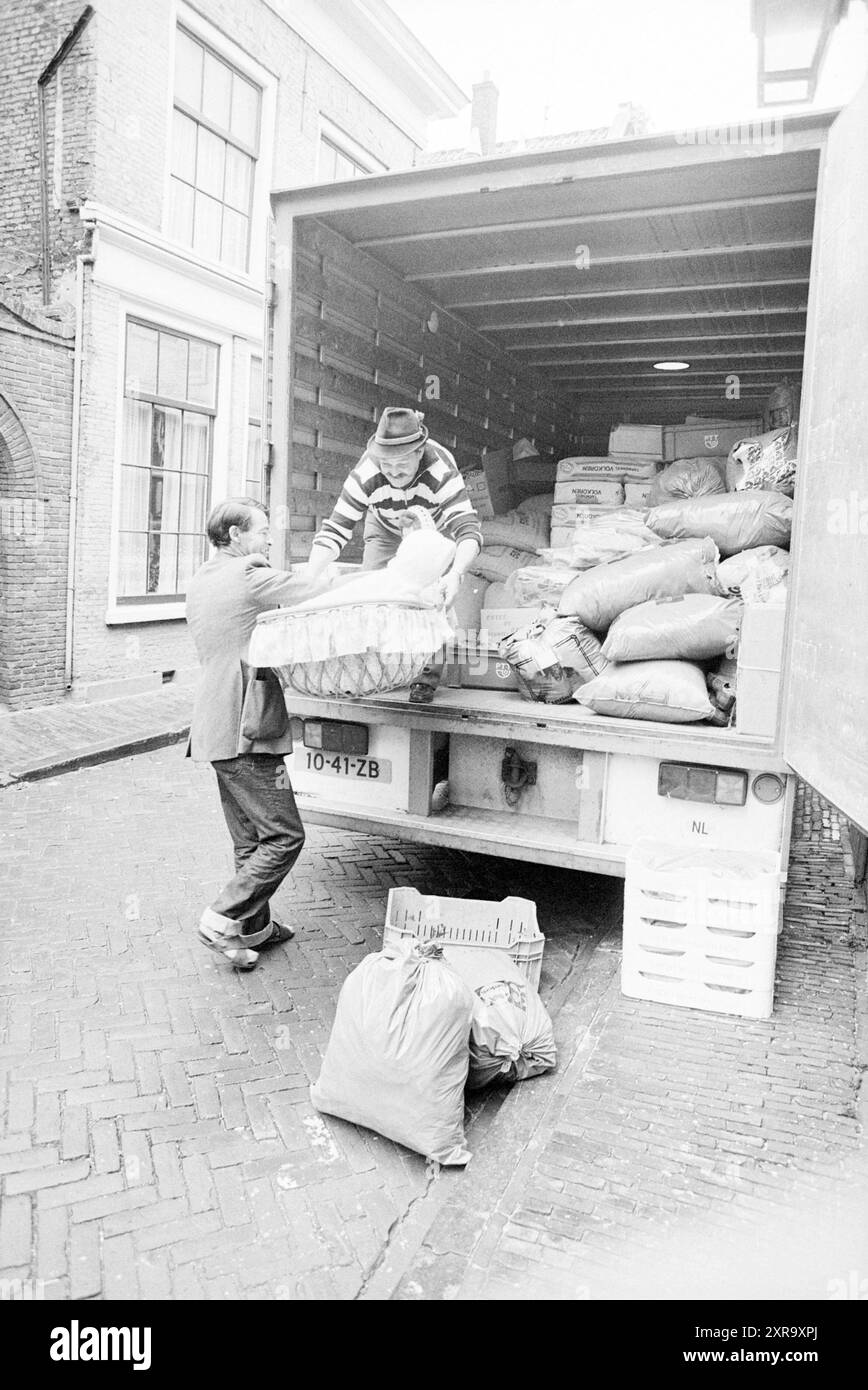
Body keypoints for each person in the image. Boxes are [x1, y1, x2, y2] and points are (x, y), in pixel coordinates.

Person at [185, 497, 332, 970]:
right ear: (235, 536)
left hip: (213, 725)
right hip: (245, 724)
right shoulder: (247, 573)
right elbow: (309, 587)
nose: (269, 538)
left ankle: (254, 930)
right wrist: (344, 562)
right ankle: (222, 918)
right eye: (262, 530)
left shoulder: (204, 579)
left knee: (250, 840)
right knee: (285, 836)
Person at [298, 406, 482, 700]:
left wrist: (456, 574)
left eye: (402, 466)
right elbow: (336, 529)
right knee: (373, 590)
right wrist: (308, 578)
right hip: (385, 525)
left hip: (431, 528)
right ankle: (378, 668)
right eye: (387, 466)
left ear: (419, 453)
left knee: (431, 595)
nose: (394, 473)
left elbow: (468, 530)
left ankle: (424, 677)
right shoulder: (366, 473)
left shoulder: (441, 471)